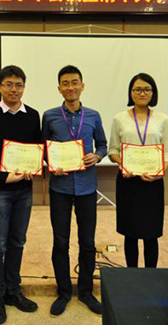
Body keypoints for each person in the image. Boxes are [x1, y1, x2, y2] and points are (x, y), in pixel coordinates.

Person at [0, 66, 42, 324]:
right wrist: (3, 177)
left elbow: (37, 148)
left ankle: (13, 290)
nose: (14, 89)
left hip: (24, 190)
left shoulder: (32, 115)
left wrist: (35, 167)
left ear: (24, 87)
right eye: (9, 84)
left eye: (19, 85)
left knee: (18, 242)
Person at [41, 65, 107, 317]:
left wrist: (97, 156)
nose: (70, 87)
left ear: (82, 86)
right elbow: (43, 149)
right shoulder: (49, 116)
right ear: (59, 88)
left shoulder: (93, 115)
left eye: (74, 82)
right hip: (60, 187)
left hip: (87, 187)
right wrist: (51, 164)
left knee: (87, 242)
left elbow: (102, 144)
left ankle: (86, 292)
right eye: (65, 83)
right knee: (60, 241)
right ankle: (63, 292)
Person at [108, 73, 168, 268]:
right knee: (130, 233)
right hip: (128, 182)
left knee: (151, 234)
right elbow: (113, 151)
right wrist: (123, 164)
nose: (142, 93)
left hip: (153, 183)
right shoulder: (119, 119)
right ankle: (132, 275)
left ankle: (150, 275)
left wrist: (159, 171)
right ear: (131, 93)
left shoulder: (163, 119)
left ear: (153, 93)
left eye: (146, 89)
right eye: (137, 89)